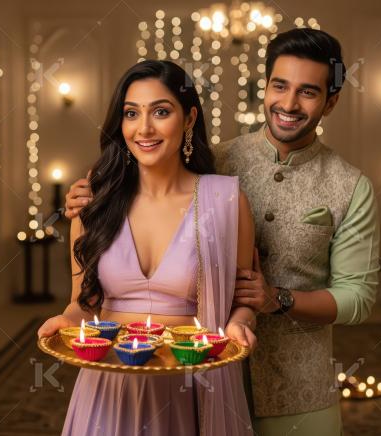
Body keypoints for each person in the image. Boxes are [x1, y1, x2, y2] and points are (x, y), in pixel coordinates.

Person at [63, 28, 380, 435]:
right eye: (279, 86)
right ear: (264, 87)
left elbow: (357, 298)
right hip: (199, 373)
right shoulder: (219, 162)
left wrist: (275, 299)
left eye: (307, 92)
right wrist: (92, 194)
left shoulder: (350, 186)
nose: (288, 103)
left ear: (330, 101)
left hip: (295, 389)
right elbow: (149, 180)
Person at [37, 60, 257, 435]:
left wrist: (239, 324)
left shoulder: (225, 199)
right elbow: (82, 304)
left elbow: (245, 298)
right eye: (131, 113)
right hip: (107, 388)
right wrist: (66, 321)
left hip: (191, 389)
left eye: (160, 111)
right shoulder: (94, 203)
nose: (144, 128)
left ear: (188, 119)